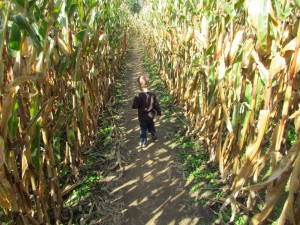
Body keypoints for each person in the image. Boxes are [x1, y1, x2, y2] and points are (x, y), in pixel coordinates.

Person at [132, 75, 162, 147]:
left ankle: (143, 141)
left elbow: (134, 106)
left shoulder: (139, 96)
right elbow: (156, 105)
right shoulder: (152, 94)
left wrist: (136, 99)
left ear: (139, 85)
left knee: (143, 129)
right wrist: (159, 113)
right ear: (148, 84)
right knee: (151, 125)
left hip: (143, 117)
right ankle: (153, 133)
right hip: (151, 116)